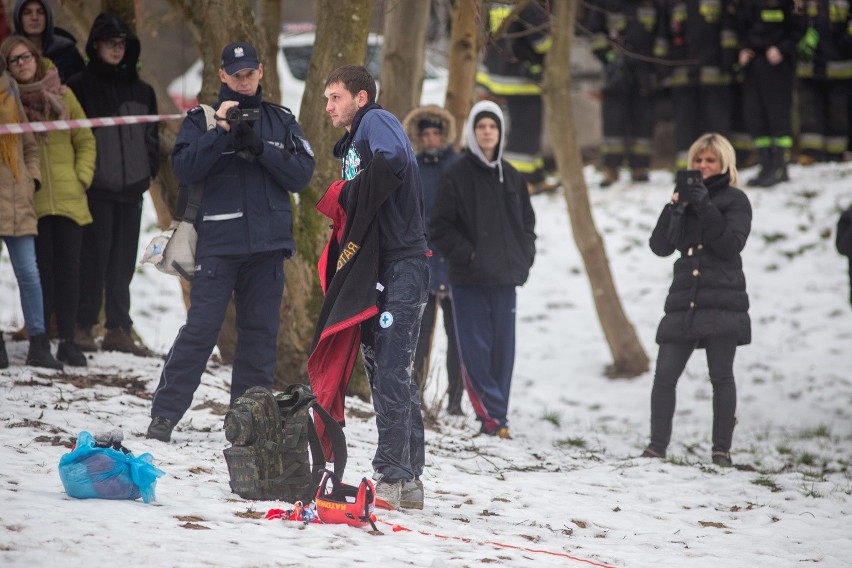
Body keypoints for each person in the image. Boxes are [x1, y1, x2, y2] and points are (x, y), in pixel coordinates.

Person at [147, 41, 315, 443]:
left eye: (249, 73)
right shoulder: (200, 119)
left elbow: (302, 175)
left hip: (268, 248)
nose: (243, 81)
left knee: (259, 336)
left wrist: (261, 150)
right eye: (235, 74)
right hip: (218, 245)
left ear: (261, 73)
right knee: (201, 330)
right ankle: (164, 417)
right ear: (221, 75)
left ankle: (248, 422)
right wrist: (220, 132)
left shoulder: (280, 119)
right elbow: (184, 167)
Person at [320, 64, 429, 510]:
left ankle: (390, 475)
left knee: (390, 367)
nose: (328, 107)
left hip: (404, 264)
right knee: (388, 369)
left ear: (360, 97)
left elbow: (394, 162)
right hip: (378, 268)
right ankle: (409, 481)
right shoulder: (354, 138)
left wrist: (350, 193)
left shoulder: (376, 121)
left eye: (336, 98)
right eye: (327, 99)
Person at [429, 100, 537, 440]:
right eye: (481, 127)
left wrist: (524, 258)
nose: (487, 132)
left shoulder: (514, 177)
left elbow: (527, 226)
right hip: (469, 280)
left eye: (492, 126)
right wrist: (470, 255)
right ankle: (490, 418)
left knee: (503, 351)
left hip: (506, 279)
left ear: (500, 132)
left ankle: (498, 417)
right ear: (473, 133)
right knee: (475, 350)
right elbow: (440, 227)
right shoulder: (457, 175)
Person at [643, 133, 751, 467]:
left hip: (722, 294)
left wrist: (704, 205)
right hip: (685, 295)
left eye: (710, 161)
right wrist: (675, 208)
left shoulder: (735, 200)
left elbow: (730, 246)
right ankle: (656, 447)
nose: (702, 167)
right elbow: (660, 246)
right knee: (665, 375)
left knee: (721, 376)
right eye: (698, 161)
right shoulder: (684, 200)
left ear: (724, 164)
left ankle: (721, 451)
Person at [66, 13, 159, 356]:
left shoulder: (144, 90)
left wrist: (148, 170)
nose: (117, 50)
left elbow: (152, 137)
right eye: (110, 44)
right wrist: (84, 177)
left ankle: (119, 328)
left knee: (123, 264)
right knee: (93, 260)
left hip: (132, 191)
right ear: (95, 46)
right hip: (95, 191)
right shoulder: (79, 85)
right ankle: (82, 325)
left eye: (121, 44)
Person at [1, 36, 96, 367]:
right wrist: (32, 183)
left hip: (63, 195)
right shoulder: (10, 99)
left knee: (67, 270)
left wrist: (80, 177)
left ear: (36, 57)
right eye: (15, 60)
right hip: (31, 200)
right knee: (40, 271)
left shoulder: (62, 94)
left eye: (27, 56)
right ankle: (37, 338)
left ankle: (62, 341)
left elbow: (85, 137)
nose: (23, 62)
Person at [0, 55, 62, 370]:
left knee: (29, 273)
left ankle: (39, 344)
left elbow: (30, 146)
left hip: (17, 198)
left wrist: (31, 181)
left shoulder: (11, 96)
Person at [402, 104, 464, 416]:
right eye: (424, 134)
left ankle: (456, 400)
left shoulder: (459, 165)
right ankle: (417, 394)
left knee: (458, 336)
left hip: (455, 264)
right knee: (421, 334)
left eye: (435, 134)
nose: (430, 139)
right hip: (423, 262)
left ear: (444, 135)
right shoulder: (412, 166)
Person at [476, 1, 552, 194]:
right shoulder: (528, 6)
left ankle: (536, 177)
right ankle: (520, 182)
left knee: (529, 129)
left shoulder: (498, 5)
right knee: (525, 131)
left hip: (502, 75)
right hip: (522, 80)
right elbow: (543, 43)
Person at [656, 0, 739, 170]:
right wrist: (663, 70)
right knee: (685, 127)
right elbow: (664, 35)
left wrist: (728, 64)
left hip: (714, 77)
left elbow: (727, 33)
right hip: (682, 78)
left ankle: (720, 169)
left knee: (715, 126)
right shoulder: (672, 4)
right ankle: (686, 171)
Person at [586, 0, 660, 186]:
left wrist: (655, 65)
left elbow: (662, 32)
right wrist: (609, 57)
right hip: (615, 73)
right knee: (613, 122)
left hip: (644, 71)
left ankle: (640, 167)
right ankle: (611, 168)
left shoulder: (652, 4)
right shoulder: (605, 4)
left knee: (643, 120)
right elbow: (593, 31)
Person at [736, 0, 806, 187]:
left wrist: (782, 48)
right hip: (753, 63)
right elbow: (740, 25)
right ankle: (765, 163)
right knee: (755, 116)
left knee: (778, 115)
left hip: (777, 64)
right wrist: (743, 48)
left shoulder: (787, 3)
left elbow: (800, 28)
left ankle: (780, 166)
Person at [795, 0, 852, 165]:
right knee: (809, 110)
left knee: (838, 111)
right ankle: (812, 153)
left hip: (839, 65)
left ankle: (836, 153)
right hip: (809, 67)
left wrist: (847, 40)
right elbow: (793, 23)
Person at [12, 0, 85, 83]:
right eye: (27, 13)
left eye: (41, 12)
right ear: (19, 18)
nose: (34, 17)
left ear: (47, 16)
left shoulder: (67, 51)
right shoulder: (9, 55)